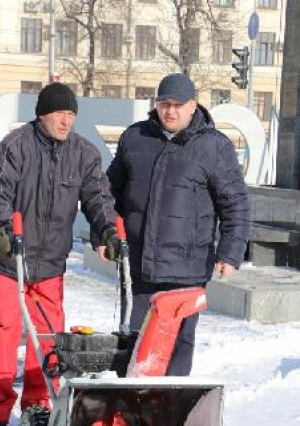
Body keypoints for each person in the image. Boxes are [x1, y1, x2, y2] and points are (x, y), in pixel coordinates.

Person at [0, 82, 119, 426]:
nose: (66, 121)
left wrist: (107, 232)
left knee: (47, 341)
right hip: (7, 259)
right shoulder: (16, 146)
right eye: (60, 113)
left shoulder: (84, 154)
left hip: (49, 265)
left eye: (71, 114)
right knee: (0, 335)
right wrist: (4, 229)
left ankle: (37, 410)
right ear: (42, 114)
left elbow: (98, 199)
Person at [96, 73, 250, 376]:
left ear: (193, 105)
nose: (170, 111)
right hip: (138, 265)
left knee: (178, 343)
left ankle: (169, 415)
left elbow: (235, 203)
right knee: (135, 342)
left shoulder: (214, 147)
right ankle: (131, 414)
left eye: (178, 105)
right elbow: (109, 193)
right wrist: (104, 233)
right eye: (164, 104)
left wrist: (230, 252)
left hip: (187, 269)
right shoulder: (135, 137)